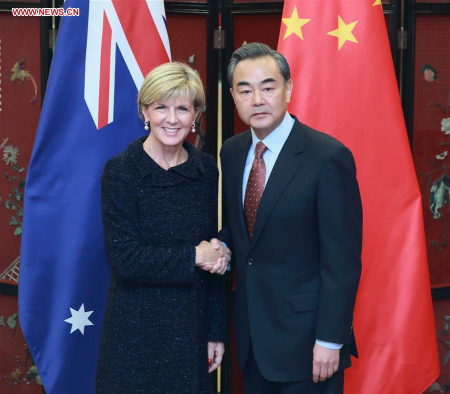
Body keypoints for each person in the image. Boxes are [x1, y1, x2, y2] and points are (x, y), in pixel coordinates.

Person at [216, 43, 362, 394]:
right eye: (245, 90)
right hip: (252, 339)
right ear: (233, 96)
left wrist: (330, 339)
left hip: (308, 344)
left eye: (268, 87)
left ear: (289, 89)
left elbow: (341, 261)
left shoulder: (328, 157)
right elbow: (247, 232)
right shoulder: (232, 152)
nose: (258, 99)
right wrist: (220, 244)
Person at [96, 62, 230, 394]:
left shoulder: (207, 170)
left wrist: (215, 331)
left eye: (182, 108)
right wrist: (193, 256)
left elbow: (213, 256)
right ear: (145, 110)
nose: (172, 119)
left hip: (190, 332)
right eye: (161, 108)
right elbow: (126, 259)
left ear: (196, 113)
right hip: (134, 335)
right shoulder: (121, 171)